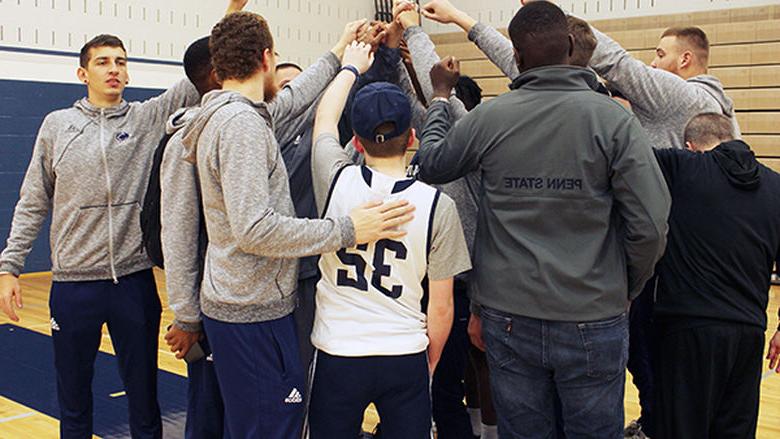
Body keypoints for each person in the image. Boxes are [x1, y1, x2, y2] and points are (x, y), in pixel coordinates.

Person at [415, 3, 671, 438]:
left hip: (509, 315)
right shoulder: (614, 120)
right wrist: (626, 285)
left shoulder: (491, 118)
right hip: (593, 311)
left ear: (515, 57)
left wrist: (441, 98)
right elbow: (650, 225)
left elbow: (433, 163)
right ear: (572, 45)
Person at [177, 12, 414, 438]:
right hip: (251, 310)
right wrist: (347, 229)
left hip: (244, 303)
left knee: (256, 423)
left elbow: (296, 98)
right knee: (271, 425)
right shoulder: (241, 126)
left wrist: (343, 51)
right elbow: (255, 229)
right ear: (267, 58)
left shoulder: (235, 114)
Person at [0, 25, 213, 439]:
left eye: (120, 62)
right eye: (102, 62)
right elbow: (32, 200)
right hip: (73, 286)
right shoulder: (56, 126)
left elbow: (197, 72)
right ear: (83, 74)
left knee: (143, 395)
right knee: (74, 399)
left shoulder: (146, 118)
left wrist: (231, 10)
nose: (113, 70)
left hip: (132, 283)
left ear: (128, 73)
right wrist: (9, 267)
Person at [306, 44, 471, 438]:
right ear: (412, 136)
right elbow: (443, 306)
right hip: (403, 352)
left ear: (357, 142)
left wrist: (350, 66)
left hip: (338, 350)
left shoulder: (334, 178)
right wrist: (427, 363)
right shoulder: (438, 205)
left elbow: (325, 117)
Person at [651, 113, 780, 439]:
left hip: (689, 331)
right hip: (749, 334)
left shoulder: (683, 167)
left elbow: (622, 150)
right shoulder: (776, 186)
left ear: (691, 146)